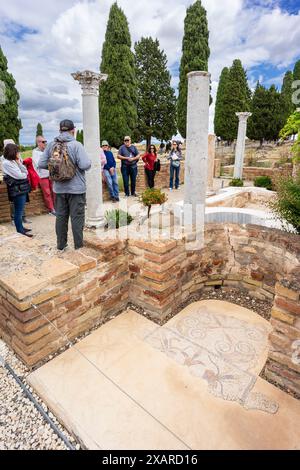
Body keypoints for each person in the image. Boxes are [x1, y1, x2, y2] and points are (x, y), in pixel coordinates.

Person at [38, 119, 91, 251]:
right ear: (73, 130)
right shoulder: (76, 145)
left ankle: (61, 245)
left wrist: (56, 167)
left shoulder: (51, 145)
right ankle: (79, 247)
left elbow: (41, 164)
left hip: (59, 189)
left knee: (61, 217)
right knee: (77, 218)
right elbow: (85, 165)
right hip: (77, 188)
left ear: (60, 130)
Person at [2, 144, 32, 238]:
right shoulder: (6, 163)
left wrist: (19, 163)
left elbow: (25, 172)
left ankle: (21, 228)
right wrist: (22, 173)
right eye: (17, 151)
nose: (18, 153)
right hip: (17, 189)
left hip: (20, 188)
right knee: (18, 211)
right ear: (12, 152)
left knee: (20, 209)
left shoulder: (14, 161)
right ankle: (20, 230)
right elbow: (20, 176)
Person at [32, 136, 56, 215]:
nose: (45, 143)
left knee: (54, 191)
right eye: (43, 142)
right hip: (42, 175)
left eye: (45, 141)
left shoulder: (47, 151)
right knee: (47, 192)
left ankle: (56, 207)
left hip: (51, 174)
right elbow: (39, 164)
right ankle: (51, 209)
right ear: (38, 143)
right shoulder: (35, 152)